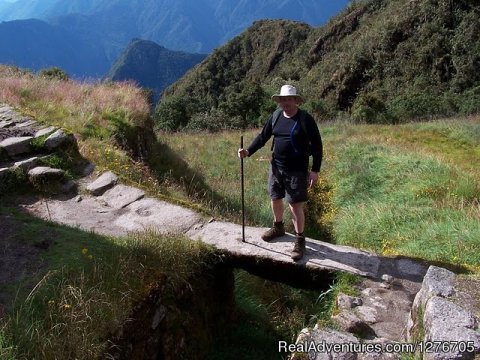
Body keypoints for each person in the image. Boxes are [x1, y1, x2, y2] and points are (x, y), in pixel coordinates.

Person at [238, 84, 323, 261]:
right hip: (276, 167)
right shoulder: (276, 116)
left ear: (296, 100)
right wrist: (248, 151)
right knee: (275, 198)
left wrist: (315, 170)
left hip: (296, 170)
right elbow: (263, 137)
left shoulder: (305, 119)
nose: (286, 102)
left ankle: (300, 240)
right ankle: (278, 228)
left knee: (295, 205)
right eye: (282, 99)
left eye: (289, 99)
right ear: (279, 101)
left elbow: (317, 145)